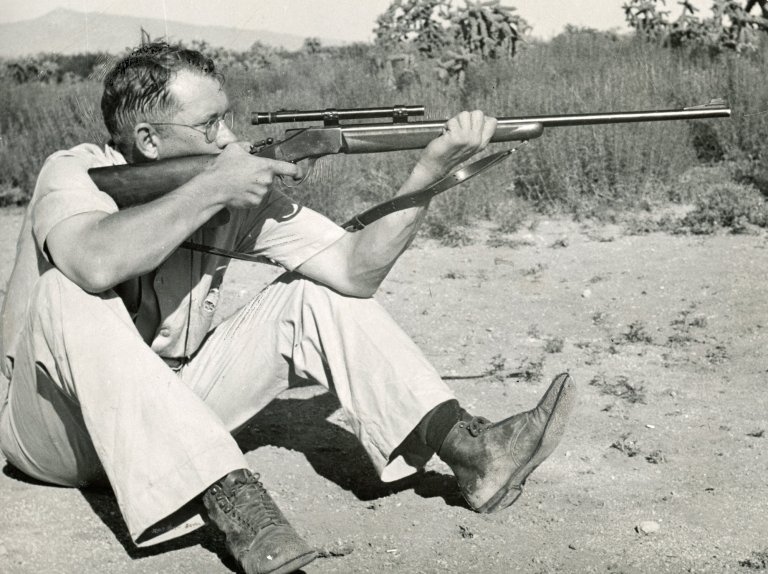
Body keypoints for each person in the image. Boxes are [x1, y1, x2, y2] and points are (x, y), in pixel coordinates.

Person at [0, 42, 576, 574]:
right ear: (149, 141)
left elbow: (353, 271)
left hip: (172, 410)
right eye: (208, 125)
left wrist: (428, 170)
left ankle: (472, 452)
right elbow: (94, 262)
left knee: (314, 292)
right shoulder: (73, 172)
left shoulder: (230, 189)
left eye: (225, 117)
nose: (229, 138)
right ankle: (231, 496)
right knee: (65, 286)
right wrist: (213, 189)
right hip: (55, 437)